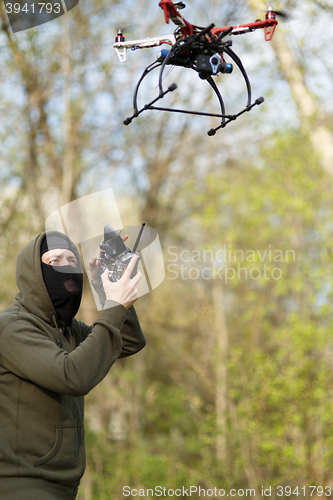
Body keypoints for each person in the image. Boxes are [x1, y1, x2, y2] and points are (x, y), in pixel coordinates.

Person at [0, 230, 146, 500]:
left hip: (63, 487)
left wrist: (108, 285)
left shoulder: (68, 330)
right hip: (20, 487)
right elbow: (72, 376)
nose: (67, 266)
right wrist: (114, 306)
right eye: (55, 259)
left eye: (72, 260)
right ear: (33, 272)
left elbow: (128, 341)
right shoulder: (12, 326)